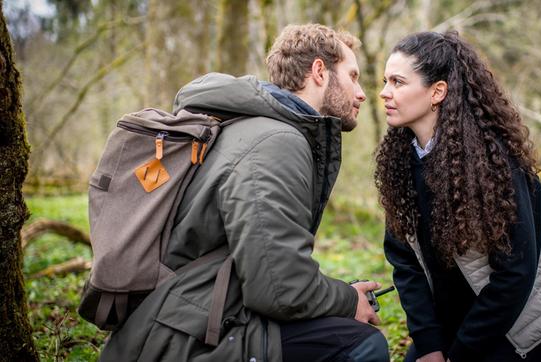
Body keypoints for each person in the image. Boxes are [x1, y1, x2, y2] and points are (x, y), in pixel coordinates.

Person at [100, 24, 389, 362]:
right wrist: (347, 300)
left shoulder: (253, 128)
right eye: (352, 76)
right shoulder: (277, 142)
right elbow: (279, 289)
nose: (362, 93)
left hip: (185, 318)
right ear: (320, 72)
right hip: (183, 339)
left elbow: (268, 266)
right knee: (363, 345)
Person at [375, 31, 541, 362]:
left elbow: (515, 274)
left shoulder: (493, 163)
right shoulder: (401, 164)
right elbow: (405, 262)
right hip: (458, 318)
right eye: (385, 81)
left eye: (397, 82)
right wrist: (430, 344)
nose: (384, 93)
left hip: (526, 318)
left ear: (437, 91)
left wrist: (461, 354)